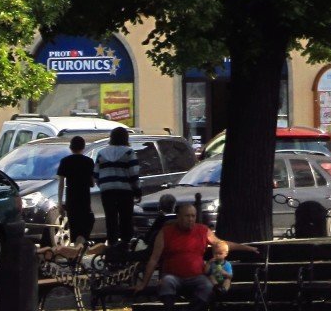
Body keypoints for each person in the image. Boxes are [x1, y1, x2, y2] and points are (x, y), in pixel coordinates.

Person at [136, 200, 256, 311]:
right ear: (179, 217)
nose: (191, 219)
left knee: (208, 286)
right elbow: (154, 259)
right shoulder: (165, 232)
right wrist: (143, 284)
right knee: (166, 282)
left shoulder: (202, 230)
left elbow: (221, 244)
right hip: (172, 276)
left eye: (193, 216)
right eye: (187, 216)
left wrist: (247, 248)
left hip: (197, 277)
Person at [94, 126, 140, 255]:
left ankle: (112, 245)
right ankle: (125, 246)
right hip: (125, 191)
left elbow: (96, 174)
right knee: (126, 218)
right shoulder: (129, 152)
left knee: (111, 218)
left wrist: (103, 185)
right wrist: (137, 190)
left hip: (107, 191)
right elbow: (134, 173)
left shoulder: (102, 153)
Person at [56, 135, 95, 246]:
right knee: (87, 221)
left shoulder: (65, 161)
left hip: (71, 197)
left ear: (71, 147)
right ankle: (81, 244)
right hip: (84, 197)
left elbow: (61, 183)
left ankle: (77, 248)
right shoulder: (89, 162)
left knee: (75, 225)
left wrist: (60, 201)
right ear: (83, 147)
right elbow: (92, 183)